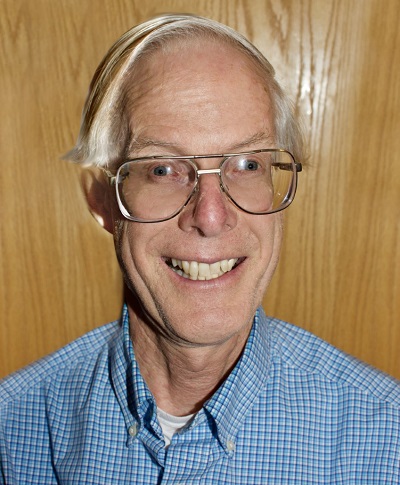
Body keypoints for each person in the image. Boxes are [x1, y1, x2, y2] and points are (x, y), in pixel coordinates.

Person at [0, 13, 399, 484]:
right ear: (104, 201)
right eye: (162, 170)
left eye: (247, 164)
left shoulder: (384, 437)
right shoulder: (13, 430)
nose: (210, 218)